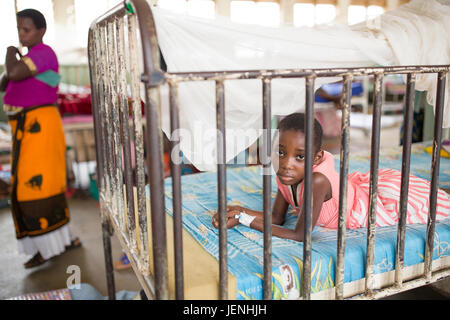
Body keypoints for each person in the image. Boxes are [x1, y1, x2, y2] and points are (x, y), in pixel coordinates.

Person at [212, 112, 450, 241]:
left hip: (364, 205)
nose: (286, 164)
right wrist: (237, 210)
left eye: (300, 157)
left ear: (316, 159)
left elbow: (300, 234)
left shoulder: (317, 181)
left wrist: (245, 220)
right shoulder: (283, 174)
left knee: (433, 200)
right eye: (281, 152)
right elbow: (277, 217)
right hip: (351, 190)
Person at [0, 9, 80, 268]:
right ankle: (60, 241)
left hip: (39, 130)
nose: (22, 35)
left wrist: (11, 50)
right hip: (27, 131)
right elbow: (5, 82)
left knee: (34, 189)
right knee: (35, 186)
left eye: (27, 30)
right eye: (19, 30)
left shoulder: (44, 54)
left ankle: (49, 247)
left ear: (41, 30)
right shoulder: (31, 58)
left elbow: (11, 74)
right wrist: (17, 57)